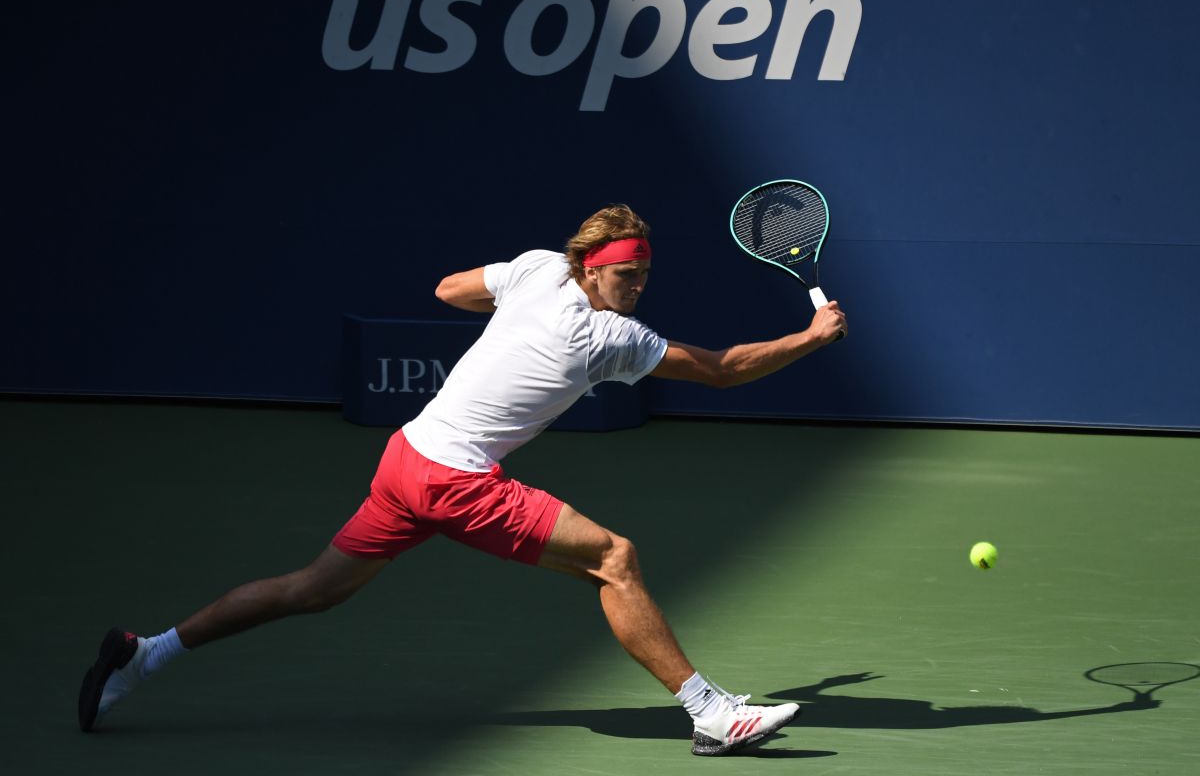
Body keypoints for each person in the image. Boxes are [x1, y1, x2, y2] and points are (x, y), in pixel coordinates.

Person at [79, 204, 848, 756]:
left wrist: (509, 299)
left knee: (311, 589)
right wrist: (812, 339)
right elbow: (720, 371)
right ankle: (710, 712)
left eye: (645, 273)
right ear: (591, 268)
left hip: (409, 454)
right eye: (625, 273)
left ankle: (145, 653)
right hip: (453, 478)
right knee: (613, 558)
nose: (638, 285)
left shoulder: (539, 268)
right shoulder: (611, 337)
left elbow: (450, 291)